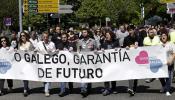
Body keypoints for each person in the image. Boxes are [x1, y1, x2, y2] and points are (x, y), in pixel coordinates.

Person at [78, 28, 97, 97]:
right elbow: (78, 51)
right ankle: (83, 89)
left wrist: (95, 51)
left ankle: (88, 88)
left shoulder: (93, 41)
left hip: (90, 62)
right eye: (83, 32)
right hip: (83, 62)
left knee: (89, 75)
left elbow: (96, 50)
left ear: (88, 33)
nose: (84, 33)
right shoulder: (80, 41)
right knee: (83, 75)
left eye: (85, 32)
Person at [35, 32, 56, 97]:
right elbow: (36, 51)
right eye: (44, 37)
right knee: (43, 76)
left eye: (46, 37)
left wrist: (53, 52)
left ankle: (46, 90)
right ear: (42, 37)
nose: (45, 38)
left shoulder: (52, 44)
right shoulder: (39, 44)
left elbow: (54, 53)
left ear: (48, 37)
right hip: (42, 63)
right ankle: (46, 88)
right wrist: (35, 51)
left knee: (48, 76)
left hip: (49, 62)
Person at [100, 31, 119, 96]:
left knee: (113, 75)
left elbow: (120, 50)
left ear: (111, 35)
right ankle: (107, 89)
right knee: (106, 75)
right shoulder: (104, 42)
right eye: (106, 35)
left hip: (113, 62)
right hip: (106, 62)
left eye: (108, 35)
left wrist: (118, 48)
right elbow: (101, 49)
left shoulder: (116, 42)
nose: (106, 36)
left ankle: (113, 88)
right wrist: (101, 49)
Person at [123, 25, 138, 96]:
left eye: (131, 30)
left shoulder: (138, 37)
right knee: (130, 72)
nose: (130, 31)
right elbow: (123, 48)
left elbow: (142, 47)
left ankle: (134, 87)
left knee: (135, 73)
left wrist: (138, 47)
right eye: (129, 30)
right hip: (129, 58)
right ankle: (130, 88)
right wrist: (125, 47)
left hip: (137, 58)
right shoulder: (126, 38)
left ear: (134, 30)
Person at [159, 32, 175, 96]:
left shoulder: (171, 44)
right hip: (161, 63)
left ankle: (168, 90)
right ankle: (164, 86)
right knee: (160, 76)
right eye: (162, 35)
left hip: (169, 63)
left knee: (168, 76)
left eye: (165, 35)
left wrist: (171, 60)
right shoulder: (159, 44)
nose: (163, 36)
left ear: (167, 36)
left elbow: (174, 53)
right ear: (161, 37)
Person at [18, 32, 34, 97]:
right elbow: (18, 53)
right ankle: (26, 88)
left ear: (26, 36)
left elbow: (34, 51)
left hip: (29, 63)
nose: (22, 37)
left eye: (23, 35)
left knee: (26, 76)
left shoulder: (30, 44)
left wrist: (29, 51)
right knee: (24, 76)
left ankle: (25, 89)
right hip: (22, 63)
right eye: (21, 36)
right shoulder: (19, 44)